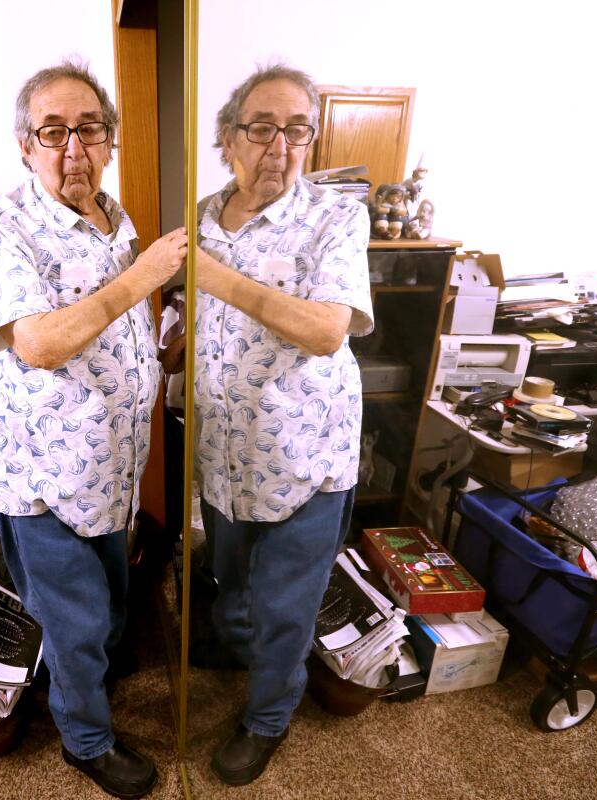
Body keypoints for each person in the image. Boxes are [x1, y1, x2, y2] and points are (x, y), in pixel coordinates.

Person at [0, 59, 186, 799]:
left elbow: (114, 333)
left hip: (112, 472)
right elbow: (42, 344)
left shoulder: (113, 219)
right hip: (46, 476)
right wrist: (145, 276)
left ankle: (87, 684)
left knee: (105, 607)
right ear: (25, 146)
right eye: (53, 132)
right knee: (74, 621)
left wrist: (166, 346)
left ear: (109, 139)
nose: (73, 149)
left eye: (89, 129)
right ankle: (85, 742)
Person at [194, 63, 374, 786]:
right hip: (223, 452)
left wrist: (212, 276)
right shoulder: (203, 214)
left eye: (296, 129)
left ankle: (267, 717)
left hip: (307, 454)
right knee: (229, 578)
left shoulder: (336, 218)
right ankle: (239, 650)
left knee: (286, 604)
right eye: (262, 127)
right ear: (229, 139)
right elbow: (197, 320)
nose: (280, 145)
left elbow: (328, 329)